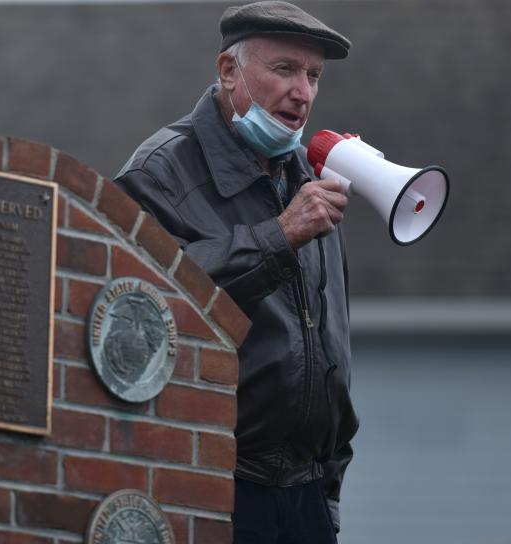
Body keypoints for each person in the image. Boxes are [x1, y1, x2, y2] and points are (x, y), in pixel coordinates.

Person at [114, 2, 359, 542]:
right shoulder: (160, 172)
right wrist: (279, 236)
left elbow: (332, 341)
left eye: (313, 76)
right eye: (285, 69)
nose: (304, 92)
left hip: (307, 496)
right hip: (211, 486)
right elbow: (143, 312)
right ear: (229, 71)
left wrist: (328, 491)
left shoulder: (309, 179)